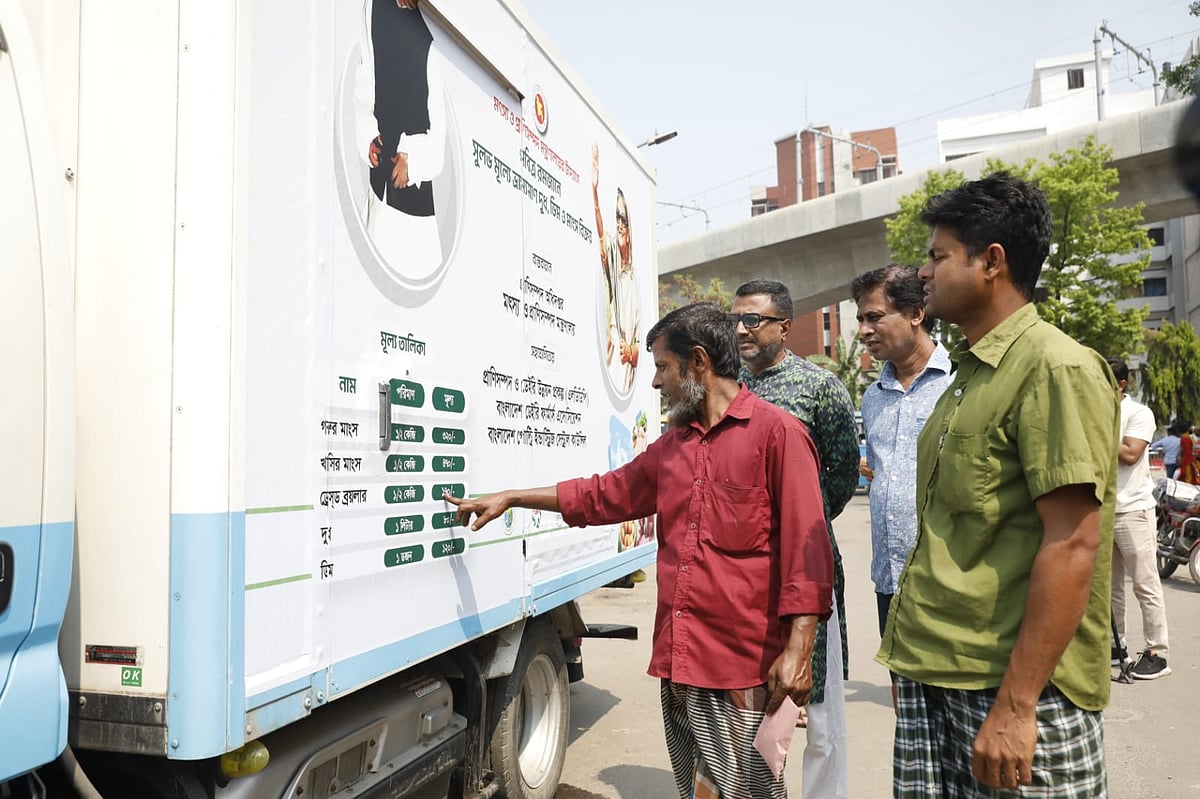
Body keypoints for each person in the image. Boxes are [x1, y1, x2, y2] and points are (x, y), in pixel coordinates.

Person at [447, 303, 833, 799]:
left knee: (750, 793)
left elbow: (809, 554)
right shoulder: (673, 447)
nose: (655, 382)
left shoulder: (778, 435)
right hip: (679, 662)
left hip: (741, 669)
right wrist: (514, 497)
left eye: (661, 367)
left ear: (698, 362)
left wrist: (799, 651)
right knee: (698, 791)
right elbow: (604, 494)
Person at [877, 172, 1119, 796]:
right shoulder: (970, 372)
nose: (923, 273)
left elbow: (1072, 545)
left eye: (937, 256)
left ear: (992, 262)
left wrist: (1017, 705)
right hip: (937, 672)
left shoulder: (1054, 367)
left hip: (1009, 690)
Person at [733, 279, 858, 799]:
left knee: (819, 711)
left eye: (753, 320)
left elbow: (844, 471)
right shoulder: (728, 386)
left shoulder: (819, 387)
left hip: (807, 565)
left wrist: (796, 520)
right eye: (735, 320)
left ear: (784, 327)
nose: (740, 329)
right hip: (746, 571)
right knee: (754, 707)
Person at [850, 264, 952, 649]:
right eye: (861, 319)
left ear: (915, 314)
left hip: (948, 582)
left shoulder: (959, 385)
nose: (864, 330)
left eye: (874, 317)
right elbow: (879, 474)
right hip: (890, 581)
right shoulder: (874, 396)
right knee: (904, 702)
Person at [354, 0, 446, 281]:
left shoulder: (434, 18)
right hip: (378, 192)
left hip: (412, 210)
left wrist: (415, 161)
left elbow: (440, 119)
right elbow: (367, 72)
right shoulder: (371, 7)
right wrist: (368, 132)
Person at [1105, 357, 1171, 680]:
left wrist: (1097, 433)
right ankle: (1117, 647)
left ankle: (1157, 653)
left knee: (1145, 583)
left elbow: (1130, 455)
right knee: (1112, 586)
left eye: (1104, 379)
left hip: (1134, 510)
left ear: (1120, 384)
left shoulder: (1138, 413)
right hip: (1105, 510)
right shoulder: (1098, 412)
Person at [592, 144, 640, 393]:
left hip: (627, 372)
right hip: (613, 365)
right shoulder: (613, 265)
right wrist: (594, 193)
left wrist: (632, 352)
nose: (620, 225)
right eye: (617, 219)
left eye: (624, 219)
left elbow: (646, 343)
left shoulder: (632, 278)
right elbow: (600, 235)